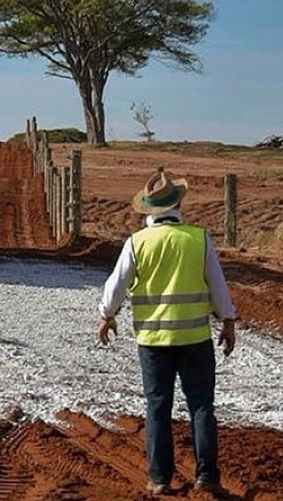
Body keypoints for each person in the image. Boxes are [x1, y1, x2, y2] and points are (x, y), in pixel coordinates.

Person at [97, 168, 237, 498]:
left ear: (148, 210)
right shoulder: (198, 238)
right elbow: (218, 286)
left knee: (157, 406)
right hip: (195, 338)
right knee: (202, 406)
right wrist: (228, 321)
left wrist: (106, 316)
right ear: (178, 205)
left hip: (153, 341)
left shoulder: (137, 242)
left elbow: (114, 287)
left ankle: (159, 479)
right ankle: (207, 477)